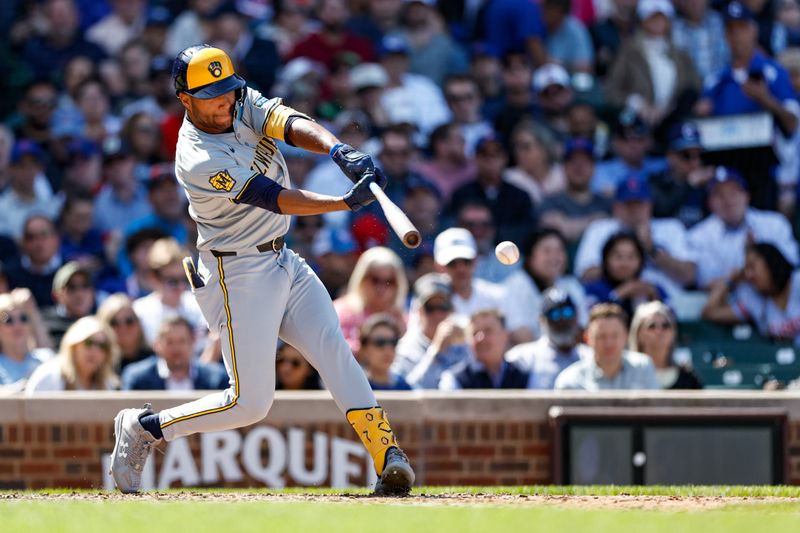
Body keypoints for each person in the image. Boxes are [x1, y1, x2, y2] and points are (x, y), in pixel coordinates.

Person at [109, 45, 414, 496]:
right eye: (211, 94)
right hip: (237, 273)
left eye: (228, 90)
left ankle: (387, 455)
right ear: (185, 99)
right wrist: (343, 202)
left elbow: (289, 123)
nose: (224, 101)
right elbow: (273, 196)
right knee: (249, 403)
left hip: (281, 256)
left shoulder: (238, 100)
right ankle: (147, 427)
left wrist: (338, 150)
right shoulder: (197, 156)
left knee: (333, 348)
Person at [574, 174, 697, 298]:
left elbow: (689, 276)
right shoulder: (600, 229)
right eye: (628, 204)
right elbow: (586, 274)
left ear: (650, 205)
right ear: (616, 207)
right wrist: (627, 277)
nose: (634, 210)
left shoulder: (671, 228)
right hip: (611, 299)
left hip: (667, 300)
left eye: (639, 204)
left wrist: (652, 250)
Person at [688, 166, 799, 288]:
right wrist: (747, 270)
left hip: (775, 298)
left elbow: (792, 265)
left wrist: (761, 255)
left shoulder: (775, 224)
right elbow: (705, 283)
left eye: (733, 192)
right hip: (728, 301)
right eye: (719, 195)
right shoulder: (698, 235)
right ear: (710, 203)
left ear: (746, 196)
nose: (728, 200)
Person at [605, 0, 701, 128]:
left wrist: (673, 108)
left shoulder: (680, 54)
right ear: (642, 20)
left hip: (673, 122)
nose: (657, 22)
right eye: (652, 17)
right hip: (637, 124)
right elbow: (611, 91)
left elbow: (694, 85)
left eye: (662, 17)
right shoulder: (628, 52)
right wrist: (637, 103)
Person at [702, 243, 800, 346]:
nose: (748, 275)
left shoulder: (797, 281)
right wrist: (729, 280)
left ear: (771, 263)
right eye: (745, 270)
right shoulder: (753, 299)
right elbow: (709, 312)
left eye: (752, 267)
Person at [502, 228, 588, 344]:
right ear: (530, 257)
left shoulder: (571, 284)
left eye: (559, 250)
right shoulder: (514, 285)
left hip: (569, 354)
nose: (554, 257)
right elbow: (520, 335)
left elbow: (582, 329)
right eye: (547, 251)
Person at [448, 134, 535, 244]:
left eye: (496, 155)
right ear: (476, 158)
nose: (491, 160)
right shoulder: (461, 194)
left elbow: (526, 230)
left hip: (508, 254)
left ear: (505, 158)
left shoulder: (520, 196)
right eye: (485, 155)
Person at [555, 303, 660, 390]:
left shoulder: (644, 368)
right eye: (601, 336)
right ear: (587, 338)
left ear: (626, 336)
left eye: (615, 336)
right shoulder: (570, 381)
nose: (609, 343)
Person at [393, 273, 469, 389]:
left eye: (443, 307)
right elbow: (410, 391)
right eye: (430, 308)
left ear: (452, 309)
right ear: (418, 310)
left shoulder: (463, 344)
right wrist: (436, 350)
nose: (437, 314)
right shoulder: (406, 348)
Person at [505, 288, 592, 389]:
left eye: (567, 312)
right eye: (554, 314)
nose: (562, 320)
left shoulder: (590, 357)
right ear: (541, 319)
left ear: (577, 315)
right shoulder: (522, 358)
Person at [333, 246, 408, 356]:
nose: (381, 288)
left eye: (389, 281)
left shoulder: (400, 317)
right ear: (361, 279)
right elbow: (336, 350)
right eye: (375, 280)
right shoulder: (342, 312)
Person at [131, 238, 206, 348]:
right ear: (153, 278)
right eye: (173, 281)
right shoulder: (139, 312)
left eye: (185, 279)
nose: (181, 287)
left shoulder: (201, 305)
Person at [538, 137, 612, 245]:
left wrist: (570, 224)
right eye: (573, 161)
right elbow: (562, 231)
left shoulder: (606, 202)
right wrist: (595, 222)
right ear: (564, 167)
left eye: (585, 161)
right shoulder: (550, 201)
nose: (579, 167)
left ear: (594, 167)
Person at [121, 316, 228, 391]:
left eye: (182, 341)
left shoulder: (217, 378)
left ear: (193, 342)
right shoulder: (138, 378)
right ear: (157, 345)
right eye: (170, 342)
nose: (176, 348)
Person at [583, 231, 668, 319]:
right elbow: (591, 320)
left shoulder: (651, 288)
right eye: (618, 256)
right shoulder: (593, 289)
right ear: (606, 260)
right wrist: (617, 296)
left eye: (631, 257)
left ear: (641, 261)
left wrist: (655, 299)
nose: (624, 264)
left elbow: (671, 318)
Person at [25, 316, 120, 393]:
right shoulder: (49, 377)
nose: (95, 350)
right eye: (88, 342)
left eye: (102, 346)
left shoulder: (107, 385)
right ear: (73, 345)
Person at [439, 309, 529, 389]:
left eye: (488, 331)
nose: (480, 338)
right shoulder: (455, 379)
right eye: (475, 333)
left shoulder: (525, 376)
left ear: (505, 336)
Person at [647, 121, 713, 228]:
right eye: (686, 155)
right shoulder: (656, 182)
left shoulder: (708, 185)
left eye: (698, 155)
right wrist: (688, 186)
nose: (694, 162)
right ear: (670, 156)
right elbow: (661, 212)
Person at [432, 228, 504, 323]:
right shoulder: (428, 302)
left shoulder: (496, 296)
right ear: (438, 266)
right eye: (452, 263)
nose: (460, 269)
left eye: (466, 261)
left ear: (475, 261)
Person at [629, 301, 702, 389]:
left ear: (673, 333)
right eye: (652, 326)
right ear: (638, 334)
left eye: (665, 325)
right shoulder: (626, 375)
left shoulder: (689, 378)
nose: (659, 331)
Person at [503, 120, 566, 208]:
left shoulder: (563, 175)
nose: (518, 153)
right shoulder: (509, 179)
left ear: (544, 149)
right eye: (516, 147)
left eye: (526, 147)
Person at [6, 215, 64, 308]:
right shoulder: (9, 273)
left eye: (44, 235)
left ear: (56, 239)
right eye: (31, 237)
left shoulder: (71, 271)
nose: (38, 243)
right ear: (23, 242)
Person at [0, 293, 53, 388]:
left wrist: (33, 312)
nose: (18, 325)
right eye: (8, 320)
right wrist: (23, 387)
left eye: (23, 318)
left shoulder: (46, 358)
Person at [41, 261, 96, 346]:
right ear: (56, 295)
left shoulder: (100, 324)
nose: (79, 294)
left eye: (85, 286)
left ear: (92, 293)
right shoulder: (43, 323)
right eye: (71, 287)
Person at [96, 293, 152, 372]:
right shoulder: (98, 366)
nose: (123, 328)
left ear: (139, 325)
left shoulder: (155, 362)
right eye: (114, 323)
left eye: (129, 321)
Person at [359, 314, 412, 391]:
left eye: (393, 342)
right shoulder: (356, 387)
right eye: (380, 342)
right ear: (364, 349)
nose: (388, 349)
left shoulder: (403, 386)